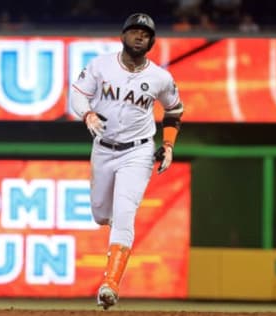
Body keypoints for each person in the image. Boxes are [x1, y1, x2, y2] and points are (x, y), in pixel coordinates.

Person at [70, 13, 184, 310]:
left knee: (124, 214)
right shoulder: (101, 65)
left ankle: (110, 285)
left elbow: (174, 110)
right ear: (123, 36)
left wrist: (168, 145)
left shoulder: (160, 77)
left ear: (151, 42)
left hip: (139, 151)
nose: (138, 37)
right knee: (100, 213)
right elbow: (78, 95)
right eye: (134, 31)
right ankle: (113, 229)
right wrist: (87, 114)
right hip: (104, 148)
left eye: (144, 34)